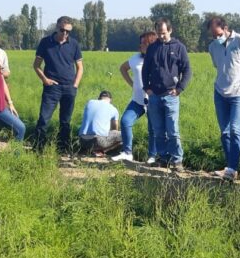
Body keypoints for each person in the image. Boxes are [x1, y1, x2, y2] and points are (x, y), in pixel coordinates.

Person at [207, 15, 240, 181]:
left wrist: (237, 82)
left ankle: (233, 167)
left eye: (218, 34)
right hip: (220, 92)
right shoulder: (213, 47)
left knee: (235, 130)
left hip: (239, 93)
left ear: (225, 28)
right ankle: (230, 167)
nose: (216, 38)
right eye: (213, 35)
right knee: (225, 132)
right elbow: (218, 66)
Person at [142, 18, 192, 171]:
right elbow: (145, 70)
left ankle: (177, 160)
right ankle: (163, 158)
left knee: (172, 131)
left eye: (163, 33)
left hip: (171, 96)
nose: (161, 36)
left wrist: (180, 88)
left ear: (170, 31)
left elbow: (187, 70)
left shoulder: (179, 48)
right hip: (154, 95)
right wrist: (147, 88)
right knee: (158, 131)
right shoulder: (152, 48)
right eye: (158, 33)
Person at [33, 16, 83, 152]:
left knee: (65, 122)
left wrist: (75, 85)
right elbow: (36, 65)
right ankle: (38, 148)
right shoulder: (45, 42)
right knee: (44, 119)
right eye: (63, 30)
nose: (65, 34)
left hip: (69, 88)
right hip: (52, 88)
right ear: (57, 28)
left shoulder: (74, 44)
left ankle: (63, 149)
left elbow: (80, 67)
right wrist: (45, 80)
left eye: (68, 31)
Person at [111, 32, 158, 163]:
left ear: (150, 44)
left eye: (143, 43)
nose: (140, 45)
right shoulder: (135, 58)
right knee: (125, 121)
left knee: (153, 128)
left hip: (153, 102)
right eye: (140, 42)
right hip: (137, 101)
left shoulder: (157, 59)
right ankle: (127, 152)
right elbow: (123, 68)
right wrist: (132, 84)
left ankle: (152, 156)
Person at [78, 90, 121, 155]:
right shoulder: (113, 109)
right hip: (98, 141)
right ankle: (101, 151)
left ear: (99, 98)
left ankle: (87, 150)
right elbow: (115, 129)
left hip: (82, 141)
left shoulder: (90, 102)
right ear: (111, 100)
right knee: (124, 135)